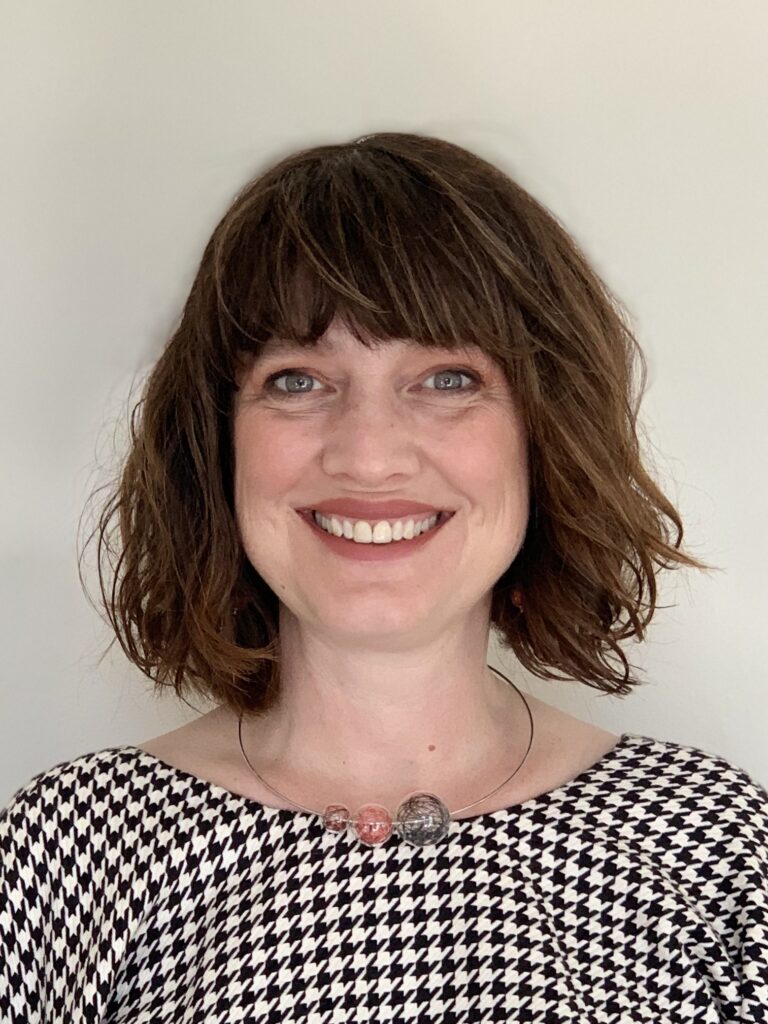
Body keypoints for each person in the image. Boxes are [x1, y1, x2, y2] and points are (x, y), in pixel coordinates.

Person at [1, 132, 766, 1022]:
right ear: (216, 443)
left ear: (545, 433)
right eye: (296, 381)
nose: (368, 457)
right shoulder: (64, 855)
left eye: (447, 378)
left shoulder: (714, 852)